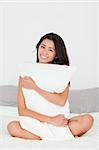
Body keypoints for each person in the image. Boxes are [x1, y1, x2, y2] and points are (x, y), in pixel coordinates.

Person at [7, 33, 94, 140]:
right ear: (38, 47)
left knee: (88, 119)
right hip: (35, 122)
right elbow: (22, 110)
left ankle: (40, 137)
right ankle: (58, 136)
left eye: (50, 50)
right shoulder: (25, 73)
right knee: (12, 126)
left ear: (56, 54)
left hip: (59, 122)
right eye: (42, 47)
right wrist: (51, 119)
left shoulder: (62, 73)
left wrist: (35, 87)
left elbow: (61, 101)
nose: (44, 52)